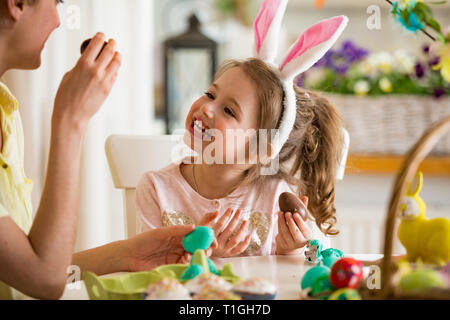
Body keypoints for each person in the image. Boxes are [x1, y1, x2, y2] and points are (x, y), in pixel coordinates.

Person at [0, 0, 209, 300]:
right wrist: (70, 120)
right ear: (17, 5)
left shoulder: (6, 110)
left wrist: (127, 254)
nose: (59, 20)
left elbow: (26, 270)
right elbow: (43, 281)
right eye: (56, 2)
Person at [136, 57, 344, 257]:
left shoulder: (274, 196)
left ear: (259, 151)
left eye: (228, 110)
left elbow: (288, 278)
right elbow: (150, 272)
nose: (207, 107)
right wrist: (205, 255)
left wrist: (288, 251)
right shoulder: (156, 188)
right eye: (210, 95)